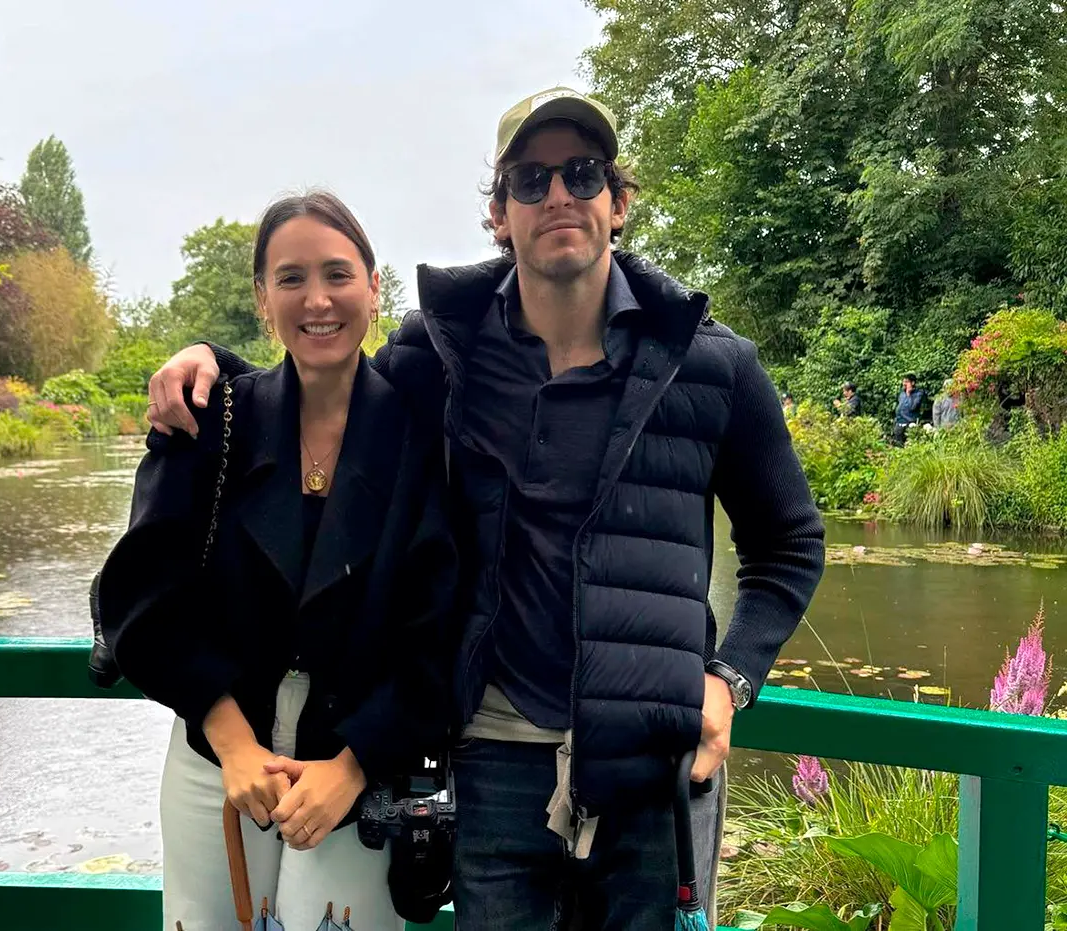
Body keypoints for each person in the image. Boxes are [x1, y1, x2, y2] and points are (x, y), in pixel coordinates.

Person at [145, 87, 826, 930]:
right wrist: (205, 365)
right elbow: (320, 374)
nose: (558, 196)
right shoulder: (445, 347)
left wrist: (729, 680)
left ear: (618, 200)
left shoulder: (712, 365)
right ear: (500, 213)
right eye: (530, 180)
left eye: (582, 173)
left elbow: (789, 542)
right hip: (496, 758)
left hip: (653, 756)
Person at [98, 192, 457, 931]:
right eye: (290, 278)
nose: (317, 299)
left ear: (374, 285)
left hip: (356, 772)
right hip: (215, 766)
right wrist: (231, 745)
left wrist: (351, 766)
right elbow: (141, 597)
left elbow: (441, 620)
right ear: (262, 297)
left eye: (337, 273)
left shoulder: (423, 435)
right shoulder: (209, 419)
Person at [893, 372, 925, 445]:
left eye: (906, 382)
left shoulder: (918, 394)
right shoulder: (902, 394)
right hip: (899, 423)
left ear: (913, 383)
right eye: (903, 381)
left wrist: (909, 394)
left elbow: (912, 407)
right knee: (898, 445)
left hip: (910, 423)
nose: (904, 384)